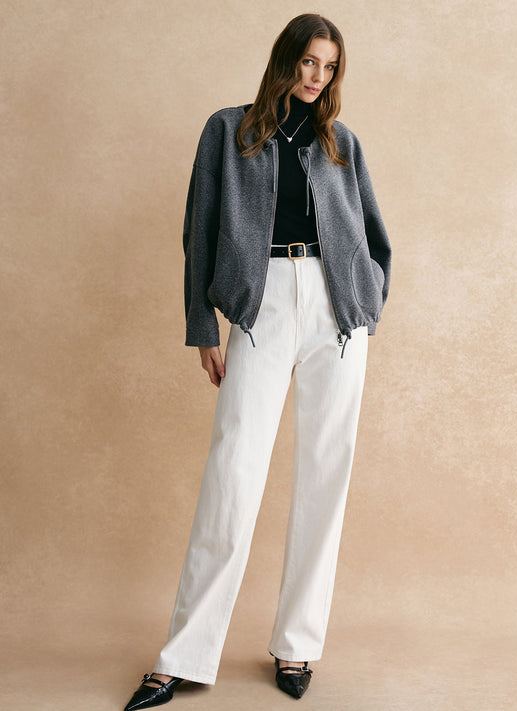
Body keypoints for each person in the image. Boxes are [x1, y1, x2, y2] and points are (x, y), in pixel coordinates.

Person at [124, 12, 391, 710]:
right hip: (260, 301)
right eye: (308, 61)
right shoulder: (228, 130)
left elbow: (372, 235)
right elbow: (199, 230)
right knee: (233, 469)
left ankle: (297, 643)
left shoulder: (341, 143)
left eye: (329, 66)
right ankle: (183, 654)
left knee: (326, 472)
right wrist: (202, 327)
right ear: (285, 59)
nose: (317, 76)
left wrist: (366, 299)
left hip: (337, 310)